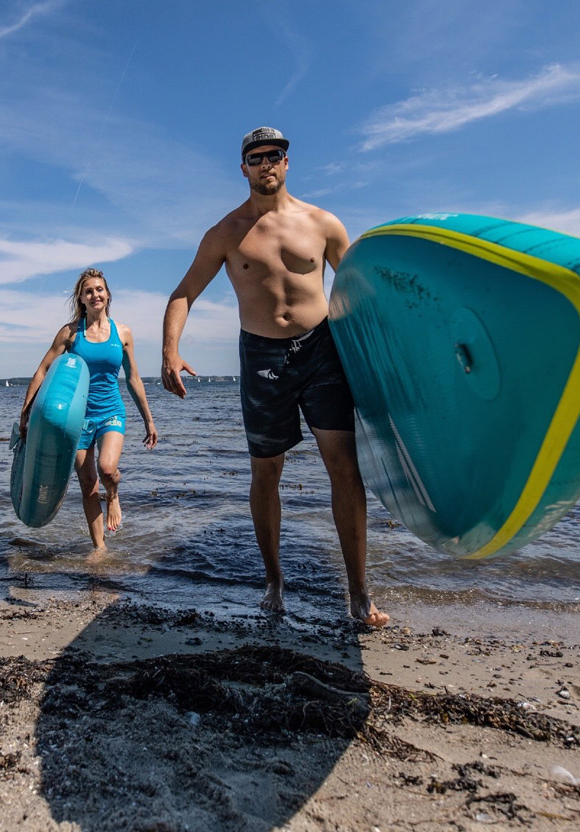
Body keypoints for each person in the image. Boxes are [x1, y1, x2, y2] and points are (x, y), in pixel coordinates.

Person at [160, 127, 388, 627]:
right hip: (261, 357)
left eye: (275, 155)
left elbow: (360, 294)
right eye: (255, 157)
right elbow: (183, 294)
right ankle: (274, 580)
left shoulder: (323, 224)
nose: (266, 163)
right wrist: (170, 351)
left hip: (322, 350)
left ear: (288, 163)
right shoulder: (225, 232)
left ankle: (358, 592)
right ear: (242, 167)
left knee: (344, 467)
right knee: (266, 471)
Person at [20, 268, 157, 550]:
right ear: (81, 298)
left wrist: (149, 421)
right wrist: (26, 412)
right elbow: (43, 370)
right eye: (89, 291)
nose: (95, 295)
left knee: (107, 470)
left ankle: (114, 494)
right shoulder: (70, 333)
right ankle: (100, 548)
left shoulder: (124, 333)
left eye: (100, 289)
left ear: (107, 295)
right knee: (88, 484)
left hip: (110, 411)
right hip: (76, 418)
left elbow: (133, 379)